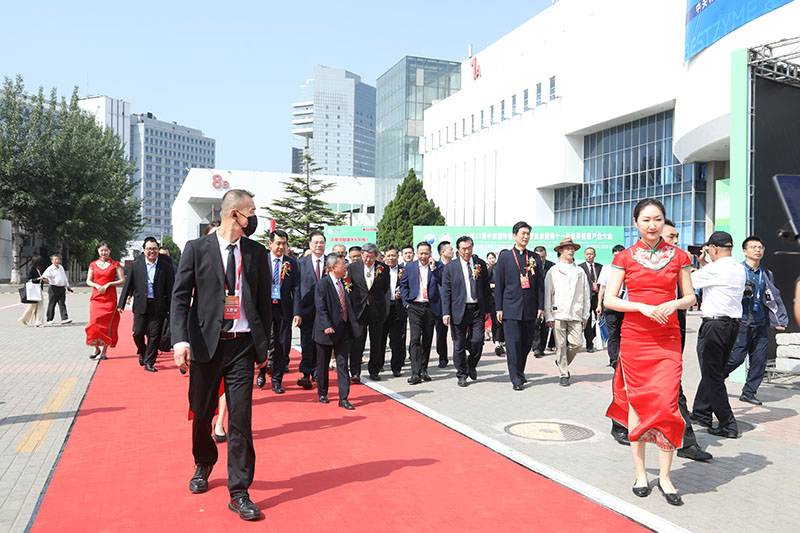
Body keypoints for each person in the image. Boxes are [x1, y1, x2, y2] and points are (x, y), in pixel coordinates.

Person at [171, 189, 271, 521]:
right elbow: (180, 297)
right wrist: (180, 342)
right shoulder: (197, 249)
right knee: (201, 411)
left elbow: (262, 305)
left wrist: (263, 347)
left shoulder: (257, 253)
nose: (254, 217)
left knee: (241, 420)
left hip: (241, 345)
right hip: (205, 344)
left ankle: (239, 490)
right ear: (234, 215)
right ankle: (204, 461)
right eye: (250, 211)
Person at [604, 198, 696, 506]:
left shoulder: (679, 256)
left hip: (667, 338)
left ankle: (667, 477)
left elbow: (691, 297)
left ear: (664, 221)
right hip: (636, 338)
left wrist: (674, 303)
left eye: (657, 219)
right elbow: (611, 300)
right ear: (635, 223)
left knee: (668, 404)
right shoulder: (625, 257)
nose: (652, 225)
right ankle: (641, 473)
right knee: (638, 405)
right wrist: (641, 306)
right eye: (645, 220)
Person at [689, 231, 747, 439]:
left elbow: (689, 281)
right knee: (713, 371)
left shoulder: (715, 268)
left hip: (714, 327)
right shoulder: (738, 268)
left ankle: (728, 423)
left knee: (712, 376)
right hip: (731, 326)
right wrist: (706, 264)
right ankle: (702, 413)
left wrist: (700, 263)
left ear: (713, 248)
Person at [723, 236, 788, 405]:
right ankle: (714, 381)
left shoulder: (766, 274)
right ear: (745, 251)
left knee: (759, 360)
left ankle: (749, 392)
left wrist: (778, 319)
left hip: (761, 322)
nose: (757, 250)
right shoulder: (737, 270)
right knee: (736, 358)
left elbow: (772, 298)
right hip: (742, 321)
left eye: (760, 247)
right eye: (753, 247)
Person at [494, 222, 545, 391]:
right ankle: (515, 377)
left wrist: (541, 306)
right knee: (513, 343)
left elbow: (539, 285)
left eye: (528, 234)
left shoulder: (534, 257)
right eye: (523, 233)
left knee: (525, 344)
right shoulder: (505, 257)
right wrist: (499, 308)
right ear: (514, 235)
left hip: (530, 308)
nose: (525, 236)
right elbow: (499, 285)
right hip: (510, 308)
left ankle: (519, 371)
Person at [118, 237, 175, 373]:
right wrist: (121, 303)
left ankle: (149, 362)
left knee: (154, 335)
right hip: (141, 305)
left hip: (158, 305)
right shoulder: (136, 264)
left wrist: (173, 305)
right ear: (144, 250)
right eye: (149, 249)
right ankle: (142, 351)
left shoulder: (165, 265)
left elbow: (170, 287)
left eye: (154, 249)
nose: (152, 252)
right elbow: (128, 284)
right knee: (137, 333)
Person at [441, 236, 491, 387]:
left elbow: (486, 288)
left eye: (469, 248)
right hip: (458, 310)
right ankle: (462, 374)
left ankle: (471, 364)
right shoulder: (451, 267)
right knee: (459, 345)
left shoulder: (480, 264)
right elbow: (446, 292)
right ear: (458, 250)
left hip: (477, 309)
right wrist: (446, 312)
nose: (467, 251)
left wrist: (488, 309)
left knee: (477, 341)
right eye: (463, 249)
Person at [256, 230, 301, 393]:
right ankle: (261, 371)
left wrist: (297, 312)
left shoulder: (292, 263)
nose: (281, 247)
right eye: (278, 243)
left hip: (284, 309)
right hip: (264, 308)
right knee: (264, 342)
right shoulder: (261, 260)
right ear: (270, 244)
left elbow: (296, 289)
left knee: (282, 344)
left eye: (284, 243)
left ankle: (277, 380)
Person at [314, 253, 360, 409]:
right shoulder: (323, 284)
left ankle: (344, 398)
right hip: (326, 331)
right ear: (333, 267)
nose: (345, 267)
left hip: (343, 330)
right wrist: (326, 324)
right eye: (342, 265)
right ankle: (322, 392)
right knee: (323, 364)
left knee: (342, 364)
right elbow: (321, 307)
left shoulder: (343, 283)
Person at [544, 238, 591, 386]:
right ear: (560, 251)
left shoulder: (580, 271)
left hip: (575, 313)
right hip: (558, 312)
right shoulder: (553, 271)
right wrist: (549, 315)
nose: (570, 250)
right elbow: (548, 294)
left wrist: (585, 314)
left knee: (577, 344)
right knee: (560, 345)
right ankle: (564, 374)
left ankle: (561, 361)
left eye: (572, 248)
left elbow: (586, 294)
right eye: (567, 248)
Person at [400, 242, 441, 385]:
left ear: (430, 253)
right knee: (415, 339)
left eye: (426, 253)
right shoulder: (410, 267)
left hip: (431, 307)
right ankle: (415, 373)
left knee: (427, 339)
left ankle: (424, 369)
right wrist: (406, 302)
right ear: (417, 253)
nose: (424, 256)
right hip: (414, 307)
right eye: (421, 253)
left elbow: (442, 281)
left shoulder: (437, 266)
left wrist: (434, 269)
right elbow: (403, 284)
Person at [347, 243, 390, 381]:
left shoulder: (383, 268)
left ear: (376, 256)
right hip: (358, 309)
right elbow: (350, 287)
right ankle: (355, 372)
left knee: (376, 342)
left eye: (371, 258)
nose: (368, 260)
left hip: (376, 310)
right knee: (357, 340)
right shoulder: (353, 268)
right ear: (362, 255)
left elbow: (384, 288)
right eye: (365, 257)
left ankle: (374, 370)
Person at [297, 231, 327, 389]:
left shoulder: (331, 262)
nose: (318, 245)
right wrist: (297, 311)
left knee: (322, 343)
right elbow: (296, 289)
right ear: (310, 244)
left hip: (325, 310)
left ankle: (319, 371)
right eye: (315, 242)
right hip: (306, 310)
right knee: (307, 342)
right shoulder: (301, 263)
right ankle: (306, 372)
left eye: (321, 242)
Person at [85, 242, 125, 359]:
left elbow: (122, 280)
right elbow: (88, 280)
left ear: (110, 251)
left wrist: (109, 284)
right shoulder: (93, 264)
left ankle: (104, 351)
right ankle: (96, 348)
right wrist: (97, 286)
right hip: (96, 298)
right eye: (102, 250)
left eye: (106, 250)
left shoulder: (115, 264)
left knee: (107, 325)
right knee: (93, 323)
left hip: (109, 299)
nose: (104, 253)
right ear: (98, 251)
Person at [380, 245, 408, 376]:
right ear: (385, 256)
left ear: (398, 256)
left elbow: (409, 286)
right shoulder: (379, 270)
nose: (391, 258)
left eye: (394, 255)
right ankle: (378, 365)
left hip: (398, 308)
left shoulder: (405, 270)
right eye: (389, 255)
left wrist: (403, 294)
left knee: (397, 340)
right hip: (383, 309)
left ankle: (396, 367)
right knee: (380, 339)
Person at [597, 245, 626, 367]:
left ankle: (624, 358)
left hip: (626, 305)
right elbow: (602, 287)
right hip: (611, 305)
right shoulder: (607, 268)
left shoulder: (630, 268)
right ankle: (614, 359)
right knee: (613, 333)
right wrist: (599, 304)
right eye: (615, 255)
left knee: (624, 333)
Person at [533, 246, 556, 357]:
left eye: (542, 257)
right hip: (534, 298)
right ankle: (536, 347)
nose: (540, 259)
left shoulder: (552, 266)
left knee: (546, 324)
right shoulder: (529, 266)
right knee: (535, 323)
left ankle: (541, 347)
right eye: (538, 257)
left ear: (545, 255)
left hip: (548, 298)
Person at [579, 247, 603, 353]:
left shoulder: (600, 267)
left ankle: (593, 335)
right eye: (587, 254)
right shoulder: (580, 268)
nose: (589, 256)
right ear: (584, 255)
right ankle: (589, 344)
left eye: (591, 254)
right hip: (586, 297)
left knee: (602, 319)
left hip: (598, 297)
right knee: (587, 321)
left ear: (595, 255)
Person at [435, 240, 454, 367]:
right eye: (450, 249)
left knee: (458, 332)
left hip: (456, 303)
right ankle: (442, 357)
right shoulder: (434, 266)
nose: (453, 251)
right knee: (441, 333)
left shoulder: (456, 265)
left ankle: (460, 355)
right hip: (440, 305)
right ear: (443, 252)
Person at [40, 254, 73, 325]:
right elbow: (44, 277)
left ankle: (65, 318)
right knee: (52, 304)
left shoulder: (61, 267)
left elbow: (64, 277)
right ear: (52, 261)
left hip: (62, 288)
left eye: (58, 259)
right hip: (53, 288)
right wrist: (46, 280)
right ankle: (49, 319)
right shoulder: (50, 269)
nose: (57, 261)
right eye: (55, 259)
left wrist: (67, 286)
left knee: (62, 304)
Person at [486, 252, 505, 356]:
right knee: (496, 321)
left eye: (493, 257)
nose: (492, 259)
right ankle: (497, 342)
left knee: (503, 321)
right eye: (490, 258)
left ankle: (501, 341)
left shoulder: (501, 268)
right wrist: (491, 285)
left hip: (504, 299)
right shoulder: (487, 269)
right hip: (493, 299)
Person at [19, 256, 46, 327]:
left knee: (35, 305)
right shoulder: (32, 269)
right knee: (36, 305)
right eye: (40, 262)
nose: (41, 264)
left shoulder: (39, 269)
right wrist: (39, 278)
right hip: (34, 289)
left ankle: (25, 319)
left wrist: (43, 280)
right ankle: (37, 321)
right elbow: (29, 280)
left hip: (38, 289)